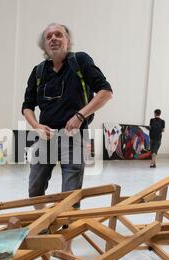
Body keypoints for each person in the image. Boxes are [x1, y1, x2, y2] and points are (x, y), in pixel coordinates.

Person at [22, 23, 112, 204]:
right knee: (35, 190)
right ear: (44, 45)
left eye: (58, 35)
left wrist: (80, 116)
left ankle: (66, 227)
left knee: (70, 196)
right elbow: (27, 106)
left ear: (68, 42)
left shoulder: (80, 61)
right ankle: (42, 224)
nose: (53, 38)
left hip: (75, 138)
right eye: (49, 37)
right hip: (46, 138)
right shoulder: (38, 71)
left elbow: (105, 92)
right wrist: (36, 125)